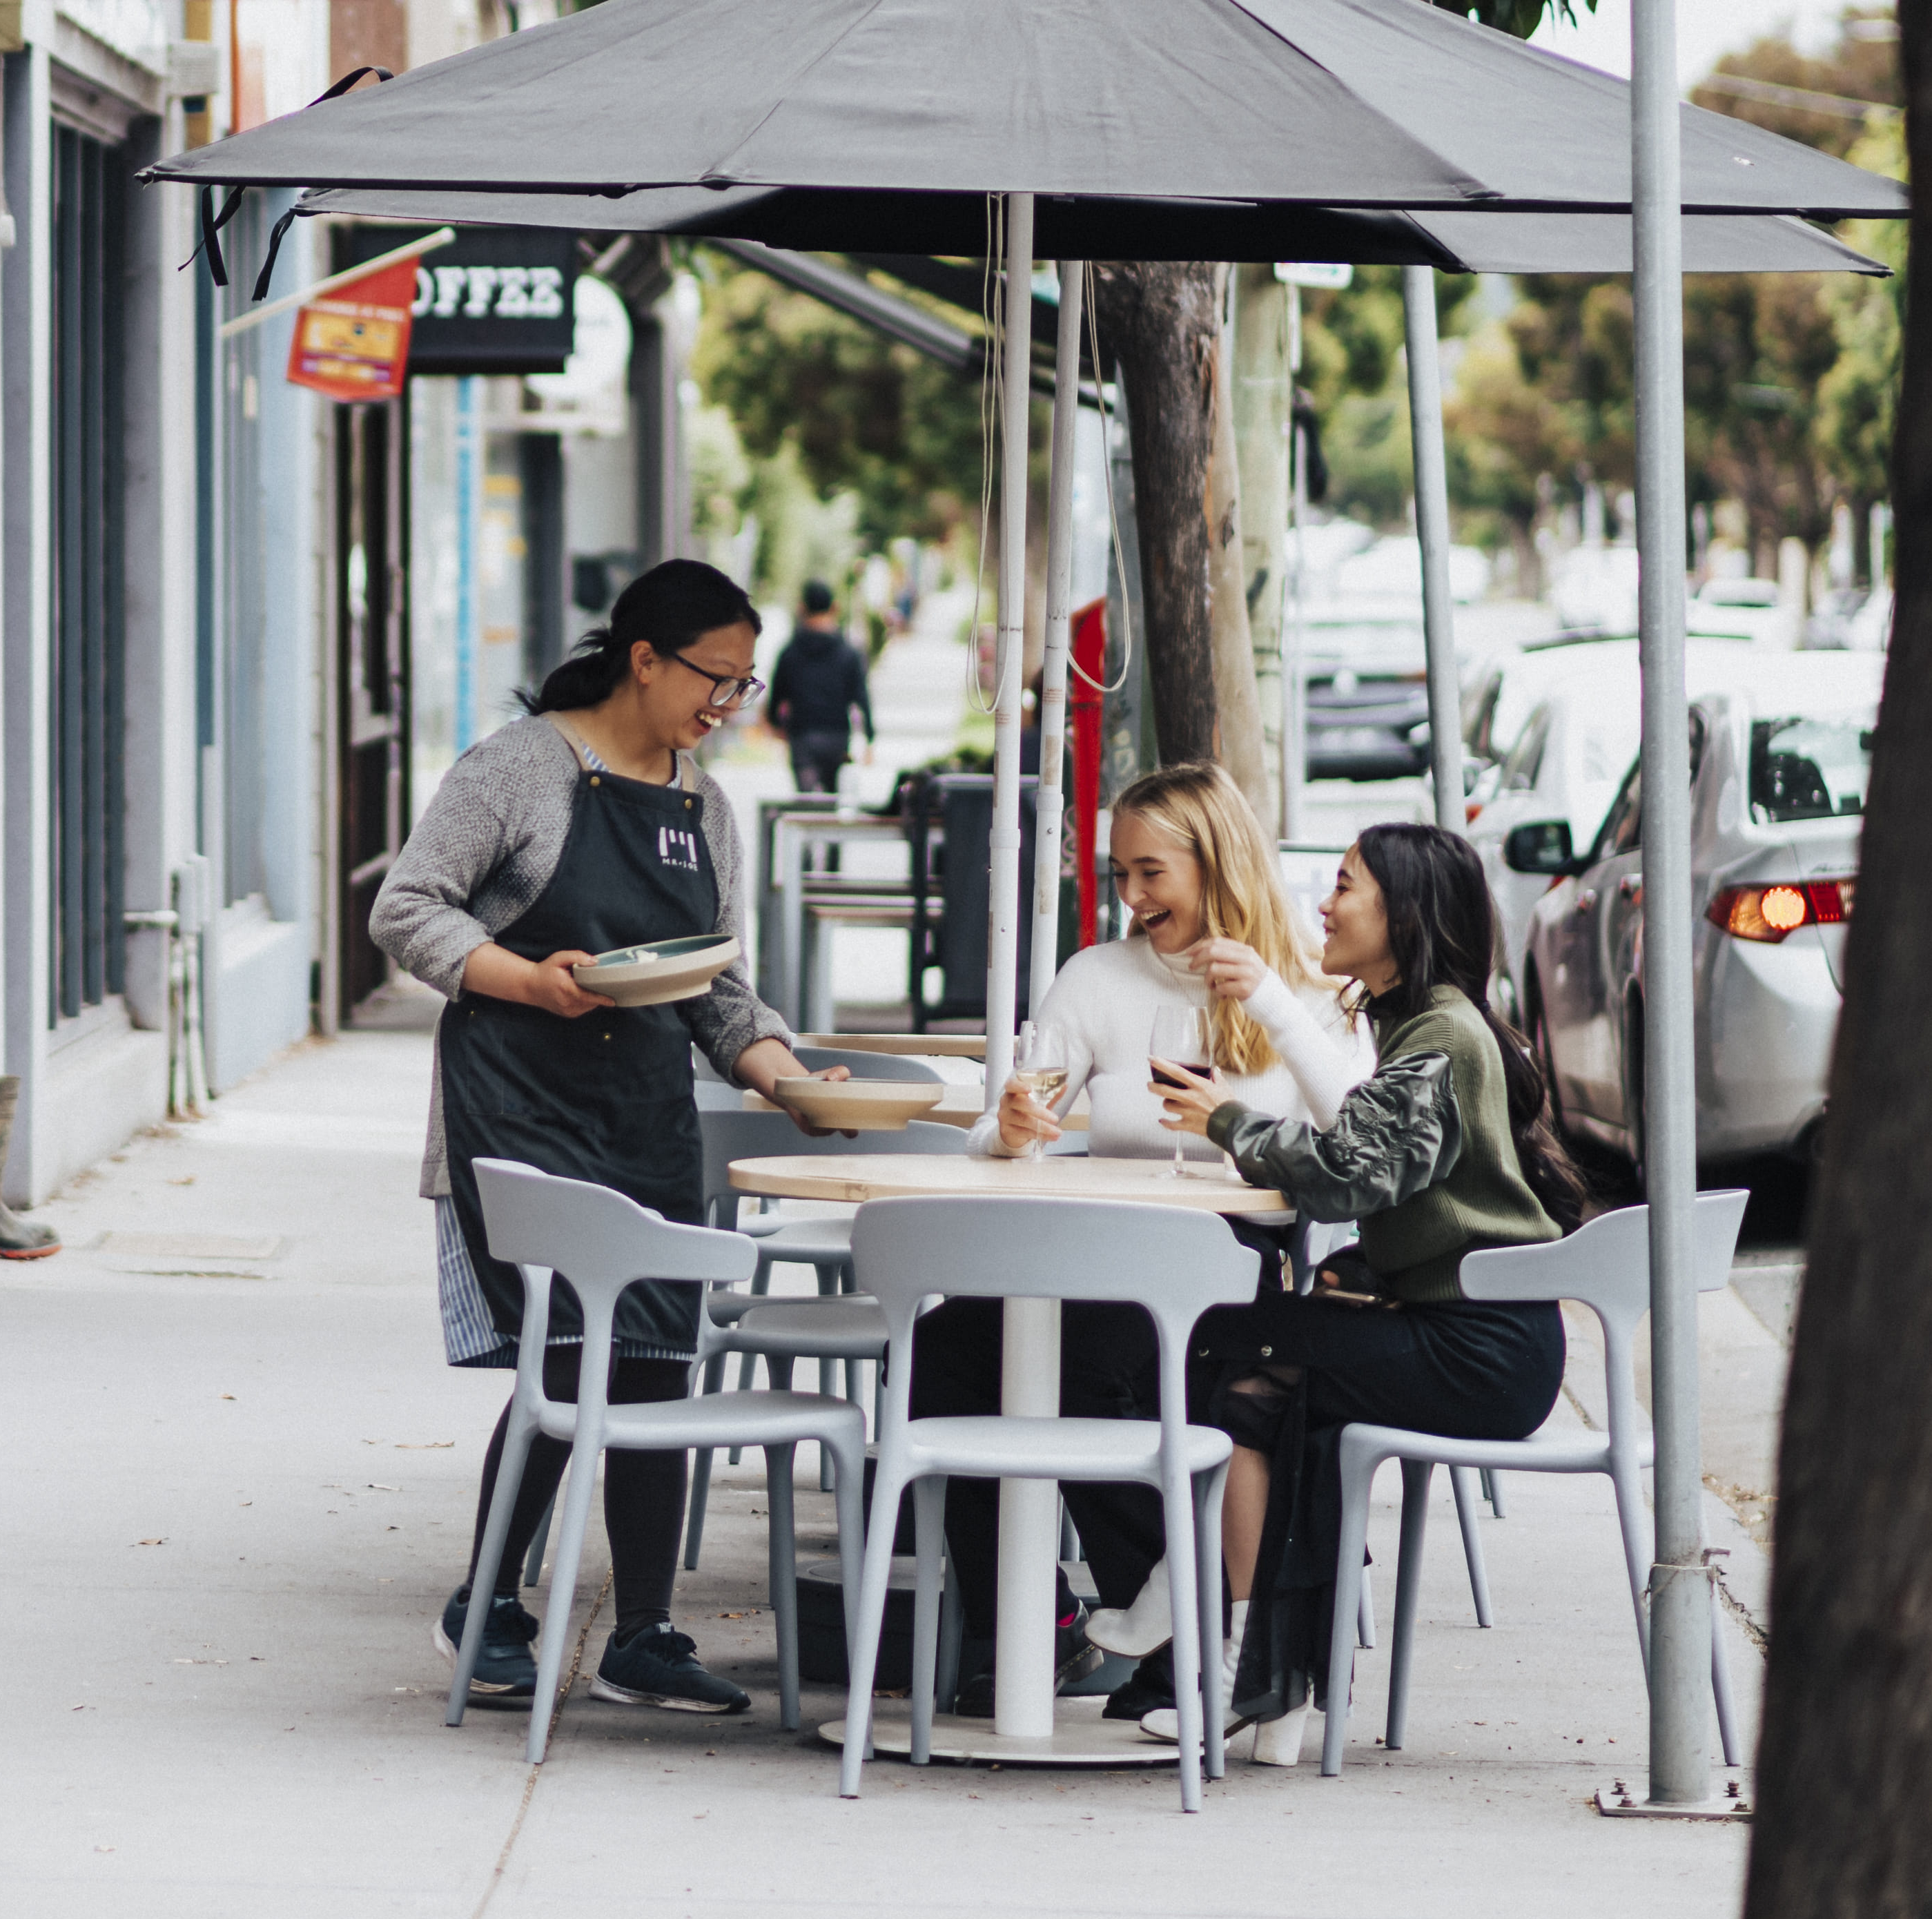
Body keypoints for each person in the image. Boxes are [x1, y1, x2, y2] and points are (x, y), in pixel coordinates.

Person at [373, 558, 866, 1718]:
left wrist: (789, 1077)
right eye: (715, 677)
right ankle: (487, 1601)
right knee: (562, 1352)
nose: (726, 703)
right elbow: (405, 908)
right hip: (516, 1103)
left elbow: (714, 989)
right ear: (643, 656)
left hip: (638, 1113)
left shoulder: (705, 806)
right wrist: (521, 977)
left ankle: (642, 1629)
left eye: (743, 685)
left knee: (651, 1357)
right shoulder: (520, 767)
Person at [912, 761, 1372, 1715]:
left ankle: (1166, 1630)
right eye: (1120, 871)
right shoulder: (1096, 976)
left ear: (1216, 861)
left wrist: (1275, 1007)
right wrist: (1006, 1126)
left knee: (1087, 1365)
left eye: (1150, 871)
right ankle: (1028, 1623)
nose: (1130, 894)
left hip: (1231, 1268)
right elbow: (1005, 1128)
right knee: (946, 1347)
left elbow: (1357, 1139)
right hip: (1095, 1255)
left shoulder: (1306, 986)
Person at [1152, 818, 1579, 1760]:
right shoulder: (1430, 1024)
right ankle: (1267, 1672)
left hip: (1479, 1350)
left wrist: (1221, 1116)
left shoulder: (1440, 1034)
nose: (1325, 902)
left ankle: (1210, 1632)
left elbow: (1348, 1172)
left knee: (1223, 1338)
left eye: (1345, 885)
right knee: (1261, 1387)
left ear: (1403, 910)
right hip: (1466, 1328)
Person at [760, 585, 875, 802]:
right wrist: (869, 738)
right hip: (837, 736)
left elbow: (778, 693)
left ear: (802, 609)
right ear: (835, 608)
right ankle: (832, 836)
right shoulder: (849, 654)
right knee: (833, 803)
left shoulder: (789, 652)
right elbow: (861, 697)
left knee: (806, 803)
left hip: (802, 735)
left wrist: (776, 725)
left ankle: (808, 835)